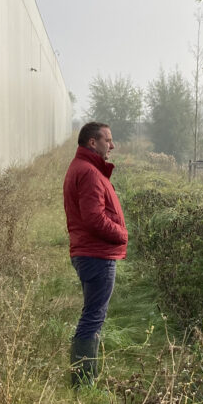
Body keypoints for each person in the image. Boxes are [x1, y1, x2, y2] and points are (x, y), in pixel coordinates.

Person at [63, 122, 128, 386]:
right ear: (93, 142)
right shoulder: (89, 172)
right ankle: (83, 382)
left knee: (92, 315)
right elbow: (93, 218)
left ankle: (84, 377)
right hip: (96, 254)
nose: (112, 145)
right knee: (93, 317)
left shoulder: (84, 168)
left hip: (90, 252)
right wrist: (122, 234)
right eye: (108, 140)